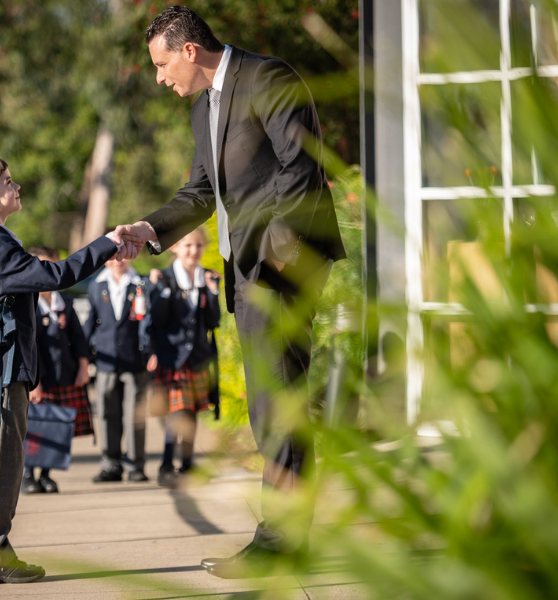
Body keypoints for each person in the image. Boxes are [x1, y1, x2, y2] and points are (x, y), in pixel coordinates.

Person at [113, 6, 346, 578]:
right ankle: (284, 540)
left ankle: (283, 543)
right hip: (247, 274)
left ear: (189, 51)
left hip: (282, 269)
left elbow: (302, 169)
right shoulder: (203, 110)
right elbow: (198, 192)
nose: (161, 76)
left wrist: (273, 258)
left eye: (163, 64)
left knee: (280, 408)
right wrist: (149, 230)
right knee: (272, 409)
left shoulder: (268, 77)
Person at [0, 154, 125, 585]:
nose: (16, 185)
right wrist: (109, 242)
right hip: (1, 377)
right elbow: (58, 274)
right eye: (8, 181)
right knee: (1, 464)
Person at [145, 226, 220, 488]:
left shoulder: (207, 277)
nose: (193, 251)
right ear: (175, 248)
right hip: (171, 356)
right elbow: (157, 320)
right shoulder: (163, 277)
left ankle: (187, 465)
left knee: (191, 414)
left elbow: (213, 321)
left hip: (197, 357)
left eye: (198, 246)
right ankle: (167, 465)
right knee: (176, 413)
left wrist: (212, 292)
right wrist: (163, 291)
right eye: (188, 245)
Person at [20, 246, 95, 495]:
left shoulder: (65, 302)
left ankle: (47, 475)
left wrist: (84, 367)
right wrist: (34, 382)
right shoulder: (27, 303)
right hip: (41, 378)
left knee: (57, 428)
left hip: (65, 375)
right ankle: (28, 474)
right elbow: (27, 346)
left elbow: (79, 337)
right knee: (36, 429)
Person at [84, 257, 151, 483]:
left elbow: (149, 320)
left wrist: (151, 351)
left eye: (123, 254)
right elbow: (91, 322)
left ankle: (135, 465)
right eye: (113, 255)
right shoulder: (97, 285)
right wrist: (83, 355)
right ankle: (110, 464)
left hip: (134, 360)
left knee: (135, 415)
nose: (118, 260)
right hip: (106, 359)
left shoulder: (141, 283)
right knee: (106, 413)